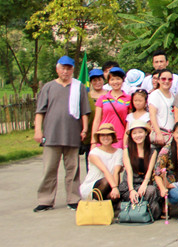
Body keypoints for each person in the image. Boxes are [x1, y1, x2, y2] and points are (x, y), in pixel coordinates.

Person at [34, 56, 90, 212]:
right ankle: (45, 200)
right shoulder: (48, 87)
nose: (65, 71)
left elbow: (85, 111)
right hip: (52, 135)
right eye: (63, 68)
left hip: (72, 134)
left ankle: (73, 199)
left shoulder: (78, 87)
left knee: (73, 169)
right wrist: (38, 130)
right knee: (49, 169)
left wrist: (84, 129)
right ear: (57, 69)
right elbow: (40, 111)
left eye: (68, 68)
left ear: (73, 70)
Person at [120, 119, 161, 219]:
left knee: (151, 190)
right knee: (153, 204)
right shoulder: (127, 151)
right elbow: (129, 172)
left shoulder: (152, 151)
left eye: (140, 132)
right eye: (134, 133)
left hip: (144, 185)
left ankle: (141, 211)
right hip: (129, 185)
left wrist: (144, 185)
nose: (138, 135)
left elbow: (149, 172)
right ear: (131, 135)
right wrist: (131, 190)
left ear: (146, 133)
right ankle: (141, 211)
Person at [79, 123, 123, 208]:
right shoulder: (94, 153)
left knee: (115, 195)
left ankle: (107, 206)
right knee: (106, 181)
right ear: (99, 137)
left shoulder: (119, 152)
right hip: (94, 186)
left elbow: (116, 172)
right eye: (102, 135)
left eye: (108, 135)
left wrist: (115, 188)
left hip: (111, 184)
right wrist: (114, 187)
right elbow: (105, 171)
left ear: (113, 137)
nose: (105, 137)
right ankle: (96, 205)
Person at [91, 67, 130, 149]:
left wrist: (126, 140)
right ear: (108, 81)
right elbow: (97, 120)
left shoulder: (128, 99)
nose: (115, 82)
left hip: (120, 138)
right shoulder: (102, 98)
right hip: (103, 136)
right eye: (112, 79)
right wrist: (93, 142)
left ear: (123, 80)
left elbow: (129, 121)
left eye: (118, 79)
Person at [81, 68, 107, 169]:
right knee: (91, 165)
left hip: (107, 133)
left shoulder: (109, 95)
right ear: (91, 82)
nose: (97, 82)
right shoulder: (86, 96)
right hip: (90, 135)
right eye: (94, 80)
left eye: (99, 80)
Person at [148, 69, 176, 149]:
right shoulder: (155, 95)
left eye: (169, 79)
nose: (166, 81)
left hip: (171, 135)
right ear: (158, 80)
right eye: (163, 79)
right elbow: (152, 115)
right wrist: (158, 133)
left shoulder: (173, 95)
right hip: (161, 134)